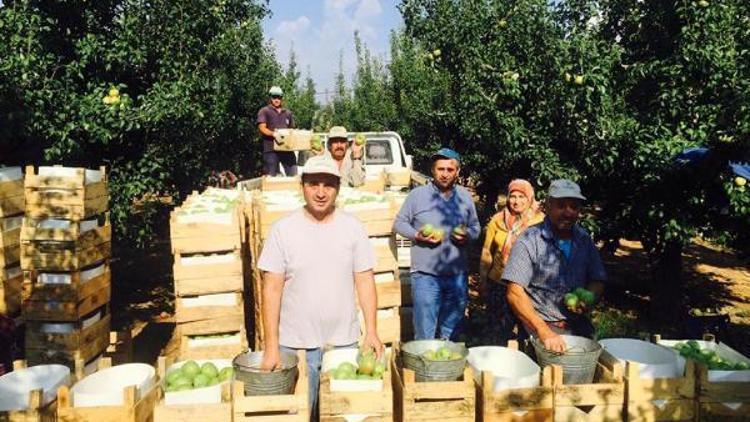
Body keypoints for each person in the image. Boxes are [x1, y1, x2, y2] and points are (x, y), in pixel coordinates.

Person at [258, 154, 383, 417]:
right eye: (313, 184)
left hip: (343, 346)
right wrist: (271, 347)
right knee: (299, 416)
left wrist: (371, 330)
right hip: (295, 347)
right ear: (301, 186)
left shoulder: (352, 227)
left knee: (342, 415)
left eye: (328, 185)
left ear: (338, 188)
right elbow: (271, 290)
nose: (321, 192)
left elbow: (364, 280)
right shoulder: (283, 229)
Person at [502, 179, 607, 353]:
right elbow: (514, 293)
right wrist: (543, 331)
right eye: (561, 205)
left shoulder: (583, 239)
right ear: (548, 206)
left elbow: (598, 279)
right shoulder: (529, 240)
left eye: (574, 207)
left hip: (577, 327)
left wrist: (588, 298)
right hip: (538, 327)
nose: (568, 212)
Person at [393, 148, 480, 340]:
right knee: (425, 331)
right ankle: (424, 368)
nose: (445, 174)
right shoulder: (417, 195)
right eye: (441, 169)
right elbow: (399, 223)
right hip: (425, 276)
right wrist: (417, 235)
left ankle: (448, 369)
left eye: (450, 169)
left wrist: (468, 236)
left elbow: (475, 227)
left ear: (457, 172)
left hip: (457, 276)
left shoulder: (465, 198)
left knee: (452, 330)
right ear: (433, 170)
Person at [479, 179, 545, 343]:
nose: (516, 201)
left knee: (528, 331)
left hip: (528, 288)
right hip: (499, 284)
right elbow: (487, 251)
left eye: (522, 197)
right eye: (512, 196)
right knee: (497, 331)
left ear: (530, 198)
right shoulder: (497, 220)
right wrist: (483, 280)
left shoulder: (540, 222)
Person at [257, 86, 297, 177]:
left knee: (294, 175)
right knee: (271, 177)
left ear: (282, 98)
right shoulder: (264, 111)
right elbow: (262, 127)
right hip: (271, 149)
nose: (276, 99)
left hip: (286, 148)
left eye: (279, 97)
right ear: (270, 98)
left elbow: (291, 129)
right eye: (274, 97)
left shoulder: (287, 113)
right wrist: (273, 134)